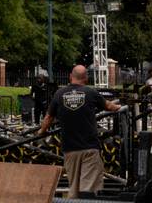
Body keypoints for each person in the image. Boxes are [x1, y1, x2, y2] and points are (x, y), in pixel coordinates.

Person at [39, 65, 121, 200]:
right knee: (88, 187)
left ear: (71, 76)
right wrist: (120, 106)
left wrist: (41, 132)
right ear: (86, 78)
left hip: (70, 150)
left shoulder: (59, 94)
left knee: (75, 188)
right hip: (89, 148)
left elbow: (48, 118)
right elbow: (109, 106)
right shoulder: (91, 92)